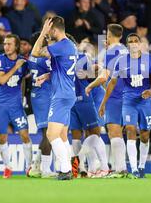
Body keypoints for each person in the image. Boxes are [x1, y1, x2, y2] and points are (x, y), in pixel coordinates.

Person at [99, 33, 151, 178]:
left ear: (140, 44)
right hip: (128, 101)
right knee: (131, 130)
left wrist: (150, 91)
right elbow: (112, 83)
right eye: (130, 42)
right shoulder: (121, 61)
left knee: (145, 135)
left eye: (135, 41)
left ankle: (142, 166)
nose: (133, 43)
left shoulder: (150, 59)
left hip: (145, 101)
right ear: (127, 45)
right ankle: (134, 169)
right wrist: (103, 103)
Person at [31, 16, 78, 181]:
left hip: (61, 95)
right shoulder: (70, 46)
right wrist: (47, 76)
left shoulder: (62, 45)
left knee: (51, 135)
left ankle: (65, 170)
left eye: (49, 30)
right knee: (63, 135)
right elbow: (63, 70)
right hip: (67, 93)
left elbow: (35, 53)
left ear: (54, 30)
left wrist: (42, 33)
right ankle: (68, 168)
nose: (48, 34)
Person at [86, 24, 129, 178]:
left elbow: (104, 77)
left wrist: (90, 86)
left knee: (114, 131)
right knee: (120, 132)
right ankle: (122, 168)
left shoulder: (111, 52)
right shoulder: (125, 49)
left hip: (115, 95)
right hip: (128, 94)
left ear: (109, 36)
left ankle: (120, 170)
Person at [0, 34, 33, 179]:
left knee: (24, 135)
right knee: (3, 137)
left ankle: (29, 167)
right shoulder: (0, 60)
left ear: (16, 46)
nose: (6, 46)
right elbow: (2, 80)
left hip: (16, 105)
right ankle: (7, 167)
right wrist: (16, 67)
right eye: (5, 44)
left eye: (9, 44)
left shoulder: (24, 62)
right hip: (1, 105)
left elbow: (26, 77)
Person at [70, 43, 109, 178]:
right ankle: (87, 168)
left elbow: (100, 69)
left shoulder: (83, 57)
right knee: (80, 133)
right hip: (77, 99)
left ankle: (102, 166)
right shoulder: (61, 60)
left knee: (94, 131)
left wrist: (88, 73)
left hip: (94, 95)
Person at [26, 31, 55, 179]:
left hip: (40, 96)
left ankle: (36, 167)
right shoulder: (44, 59)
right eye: (47, 39)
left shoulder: (32, 57)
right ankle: (45, 169)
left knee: (48, 133)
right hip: (44, 96)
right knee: (48, 134)